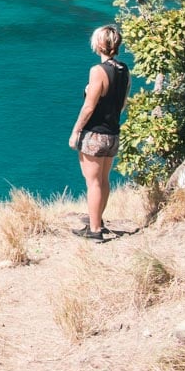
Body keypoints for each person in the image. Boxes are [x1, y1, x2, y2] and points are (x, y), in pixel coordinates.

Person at [69, 25, 131, 240]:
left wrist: (76, 132)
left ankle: (94, 230)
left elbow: (89, 107)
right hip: (113, 133)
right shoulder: (124, 70)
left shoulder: (98, 70)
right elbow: (122, 103)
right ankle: (98, 222)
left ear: (100, 44)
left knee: (93, 182)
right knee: (104, 180)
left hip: (95, 134)